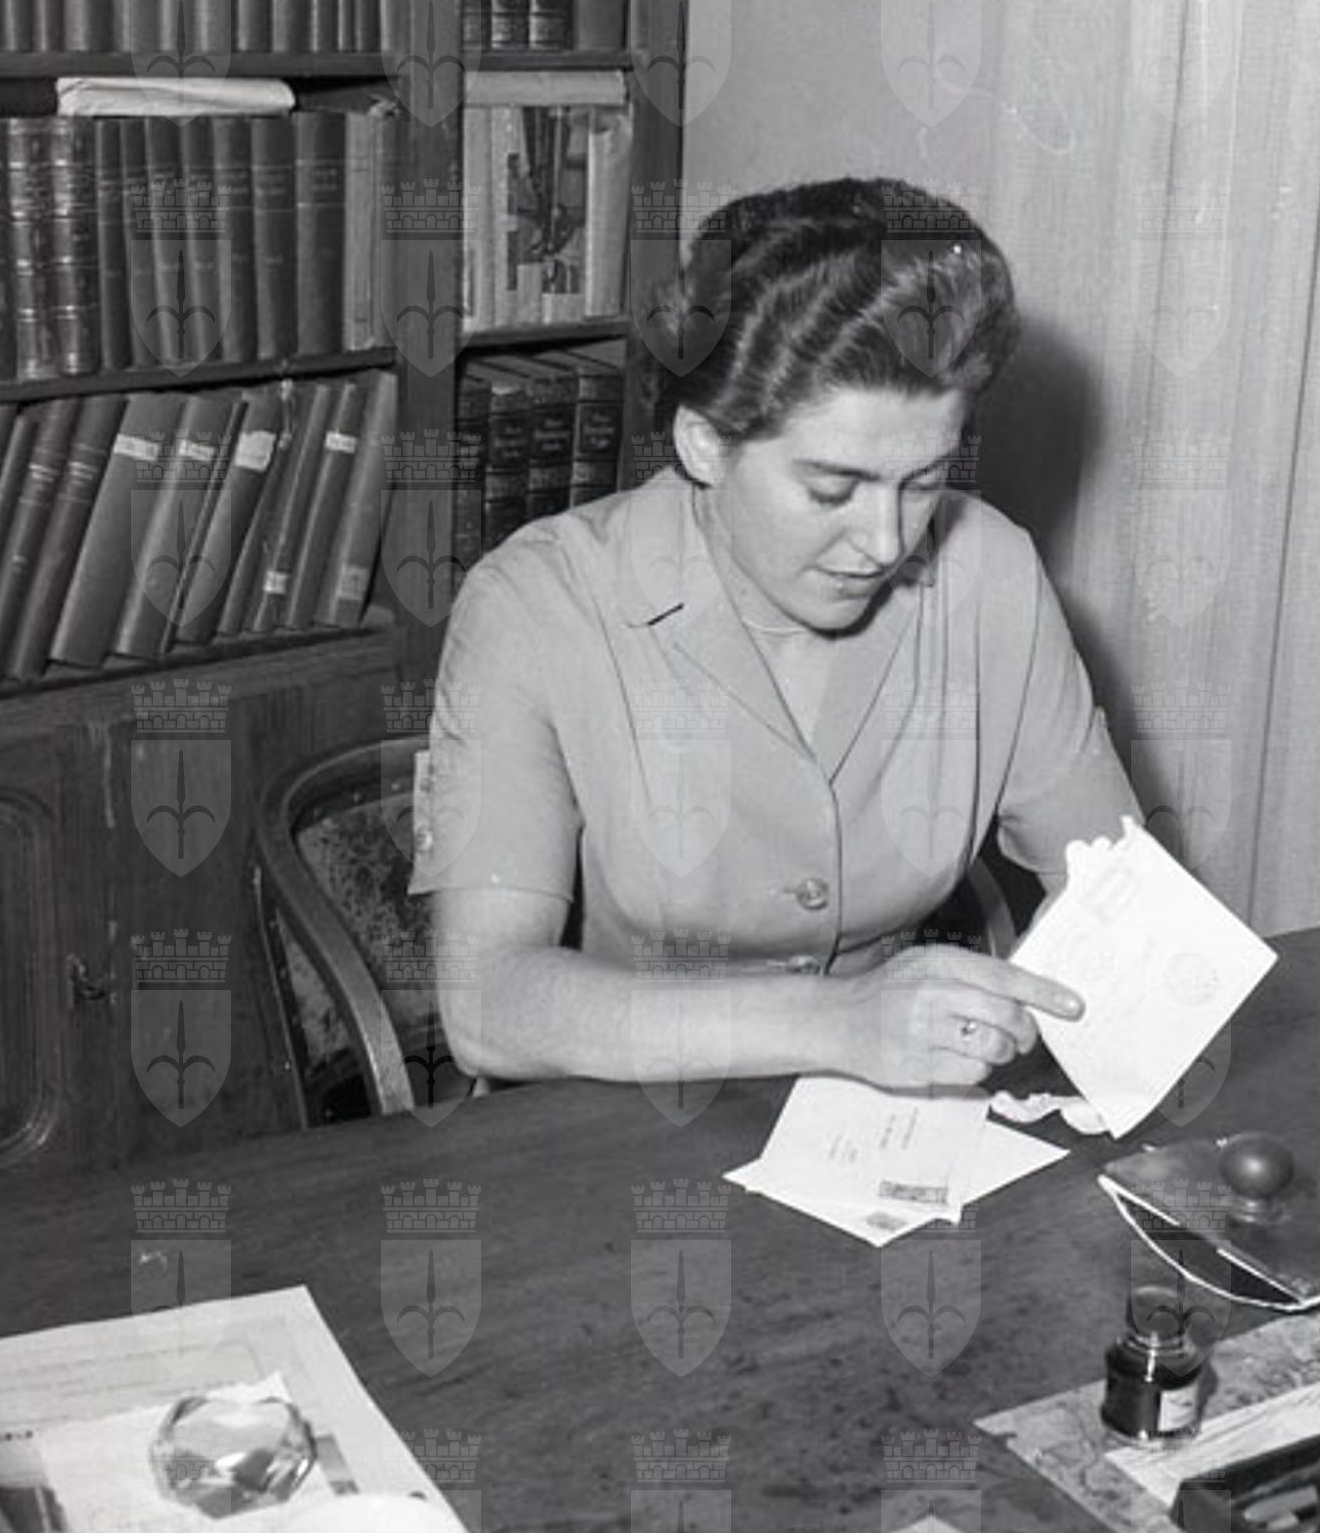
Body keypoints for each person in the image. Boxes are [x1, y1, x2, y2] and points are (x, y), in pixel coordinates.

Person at [415, 178, 1139, 1089]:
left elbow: (1124, 897)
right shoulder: (533, 604)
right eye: (832, 489)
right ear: (706, 444)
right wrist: (836, 1023)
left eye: (924, 480)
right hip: (614, 1120)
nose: (887, 542)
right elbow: (487, 1002)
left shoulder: (989, 571)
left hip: (890, 1122)